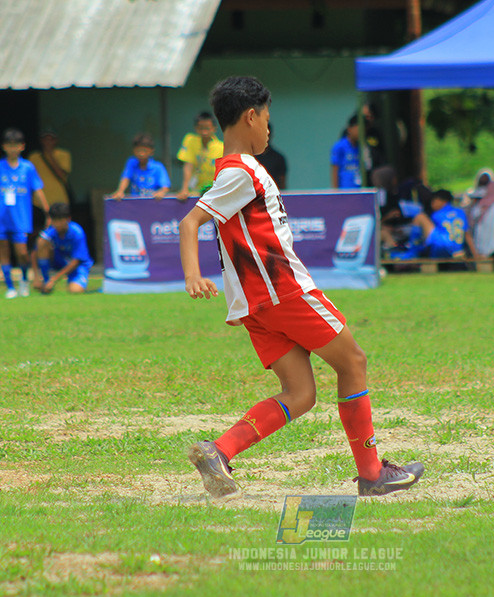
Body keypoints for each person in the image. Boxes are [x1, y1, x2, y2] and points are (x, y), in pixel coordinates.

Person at [179, 75, 424, 499]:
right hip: (284, 293)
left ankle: (219, 451)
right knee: (353, 363)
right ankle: (371, 473)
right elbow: (189, 223)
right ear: (251, 116)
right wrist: (191, 275)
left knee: (301, 393)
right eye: (268, 119)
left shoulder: (230, 172)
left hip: (257, 306)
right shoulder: (243, 171)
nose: (269, 129)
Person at [0, 128, 50, 299]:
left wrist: (47, 211)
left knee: (22, 252)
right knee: (3, 251)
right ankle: (9, 287)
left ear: (22, 146)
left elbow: (38, 190)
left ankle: (23, 280)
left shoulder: (28, 167)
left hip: (21, 218)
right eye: (9, 145)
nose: (12, 149)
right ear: (3, 147)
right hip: (1, 217)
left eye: (16, 145)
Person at [390, 189, 476, 260]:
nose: (431, 204)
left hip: (441, 247)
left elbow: (424, 235)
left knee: (420, 217)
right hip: (458, 249)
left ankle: (412, 252)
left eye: (434, 201)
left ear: (442, 201)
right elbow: (467, 234)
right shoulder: (460, 212)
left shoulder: (437, 214)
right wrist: (475, 255)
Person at [31, 202, 94, 294]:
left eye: (60, 220)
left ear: (68, 219)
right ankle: (45, 280)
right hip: (59, 261)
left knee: (75, 291)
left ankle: (51, 282)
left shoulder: (77, 232)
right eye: (55, 221)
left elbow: (76, 261)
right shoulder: (50, 232)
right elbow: (34, 252)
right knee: (41, 241)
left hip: (76, 266)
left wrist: (54, 280)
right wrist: (36, 276)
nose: (57, 224)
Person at [177, 111, 224, 200]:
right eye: (201, 128)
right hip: (195, 192)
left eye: (207, 128)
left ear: (214, 128)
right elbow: (188, 165)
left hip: (215, 192)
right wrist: (184, 188)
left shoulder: (221, 147)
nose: (204, 132)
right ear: (196, 128)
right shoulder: (190, 140)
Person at [110, 133, 170, 199]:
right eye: (138, 151)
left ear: (152, 151)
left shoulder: (158, 167)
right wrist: (120, 191)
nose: (141, 154)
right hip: (136, 204)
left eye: (144, 151)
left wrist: (161, 192)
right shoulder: (131, 162)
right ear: (133, 150)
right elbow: (125, 178)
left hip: (152, 204)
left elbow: (165, 187)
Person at [330, 115, 362, 189]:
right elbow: (335, 169)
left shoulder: (361, 147)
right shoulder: (339, 146)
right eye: (357, 129)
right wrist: (335, 192)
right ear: (349, 129)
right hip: (345, 191)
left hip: (359, 190)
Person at [254, 123, 287, 189]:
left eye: (268, 134)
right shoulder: (251, 157)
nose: (266, 137)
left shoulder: (278, 158)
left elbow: (282, 183)